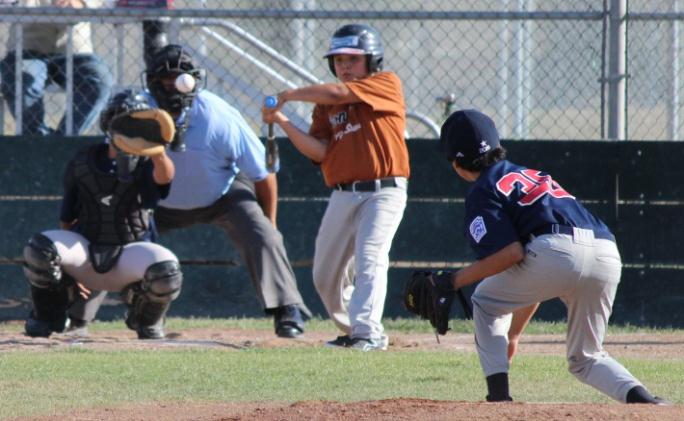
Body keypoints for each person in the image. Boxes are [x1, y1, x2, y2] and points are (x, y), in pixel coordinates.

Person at [69, 44, 312, 338]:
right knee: (108, 228)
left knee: (262, 232)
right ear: (152, 83)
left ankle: (287, 310)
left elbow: (263, 174)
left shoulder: (218, 116)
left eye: (181, 78)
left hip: (222, 195)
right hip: (155, 201)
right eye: (165, 80)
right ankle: (74, 314)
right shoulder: (137, 111)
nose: (174, 86)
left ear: (196, 80)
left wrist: (271, 223)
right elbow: (110, 161)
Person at [437, 108, 667, 404]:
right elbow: (530, 277)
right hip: (605, 253)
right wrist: (514, 334)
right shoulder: (532, 174)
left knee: (485, 301)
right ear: (496, 146)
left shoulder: (482, 190)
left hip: (555, 252)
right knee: (586, 358)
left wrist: (453, 280)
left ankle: (498, 399)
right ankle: (647, 402)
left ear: (456, 162)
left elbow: (511, 254)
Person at [262, 24, 409, 351]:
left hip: (384, 191)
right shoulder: (326, 107)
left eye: (353, 59)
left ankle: (367, 331)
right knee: (325, 274)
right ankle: (352, 330)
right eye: (339, 60)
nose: (345, 66)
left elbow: (340, 93)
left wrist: (288, 95)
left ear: (372, 61)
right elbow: (320, 151)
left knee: (370, 257)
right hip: (343, 192)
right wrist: (282, 121)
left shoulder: (385, 83)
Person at [22, 90, 182, 340]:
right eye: (121, 121)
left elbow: (165, 179)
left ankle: (146, 320)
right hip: (86, 252)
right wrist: (67, 270)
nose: (127, 127)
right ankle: (48, 316)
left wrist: (158, 152)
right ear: (108, 123)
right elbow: (67, 217)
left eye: (134, 122)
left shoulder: (150, 161)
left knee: (167, 271)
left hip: (130, 255)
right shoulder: (84, 160)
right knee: (41, 248)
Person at [0, 0, 113, 136]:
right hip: (27, 47)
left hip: (75, 50)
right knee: (20, 79)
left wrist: (82, 3)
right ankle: (38, 140)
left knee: (99, 81)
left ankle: (64, 140)